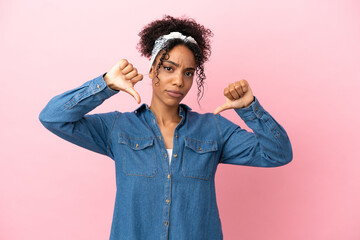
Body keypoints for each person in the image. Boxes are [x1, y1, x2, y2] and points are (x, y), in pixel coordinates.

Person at [39, 15, 293, 240]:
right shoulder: (118, 128)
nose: (178, 81)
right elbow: (53, 117)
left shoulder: (213, 129)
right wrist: (105, 84)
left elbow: (277, 153)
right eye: (169, 68)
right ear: (152, 70)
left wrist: (249, 108)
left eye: (189, 73)